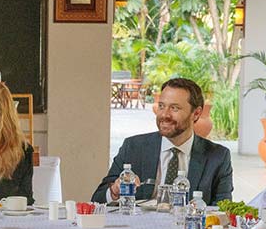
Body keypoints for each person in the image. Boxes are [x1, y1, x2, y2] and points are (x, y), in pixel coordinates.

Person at [92, 77, 233, 204]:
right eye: (161, 106)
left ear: (196, 113)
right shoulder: (134, 147)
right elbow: (97, 199)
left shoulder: (218, 157)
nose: (165, 114)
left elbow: (222, 210)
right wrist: (114, 191)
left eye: (174, 108)